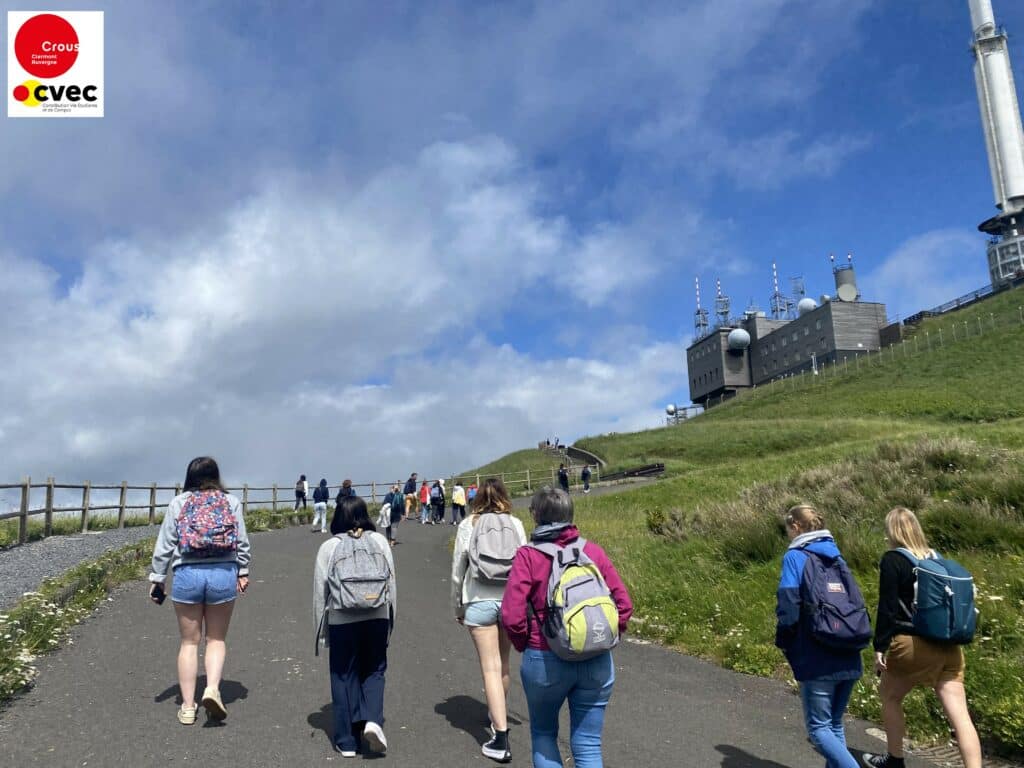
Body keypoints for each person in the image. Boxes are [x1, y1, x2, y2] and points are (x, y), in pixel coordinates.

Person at [502, 487, 633, 768]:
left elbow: (512, 616)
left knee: (544, 734)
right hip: (597, 658)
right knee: (588, 744)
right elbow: (624, 605)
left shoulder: (527, 556)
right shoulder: (592, 551)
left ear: (536, 516)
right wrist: (607, 637)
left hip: (545, 659)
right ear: (570, 515)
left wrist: (527, 643)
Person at [861, 508, 982, 768]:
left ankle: (894, 760)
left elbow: (888, 607)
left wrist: (880, 647)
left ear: (892, 531)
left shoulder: (893, 560)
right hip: (950, 647)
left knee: (890, 696)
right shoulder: (937, 559)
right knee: (961, 717)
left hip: (912, 644)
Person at [149, 456, 251, 725]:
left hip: (187, 574)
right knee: (215, 640)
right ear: (216, 476)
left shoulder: (179, 503)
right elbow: (241, 541)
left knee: (189, 643)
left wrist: (157, 578)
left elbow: (166, 543)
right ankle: (212, 689)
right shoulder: (230, 502)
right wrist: (242, 570)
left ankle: (187, 706)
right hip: (222, 574)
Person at [775, 504, 864, 768]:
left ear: (796, 527)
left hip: (816, 651)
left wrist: (785, 637)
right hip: (849, 647)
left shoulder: (795, 557)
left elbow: (789, 605)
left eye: (788, 529)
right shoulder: (837, 557)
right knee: (834, 725)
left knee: (818, 729)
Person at [313, 495, 397, 757]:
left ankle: (347, 741)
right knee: (375, 670)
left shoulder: (329, 547)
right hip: (377, 616)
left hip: (342, 618)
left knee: (343, 674)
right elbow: (391, 585)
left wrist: (321, 630)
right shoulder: (380, 542)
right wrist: (390, 620)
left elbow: (320, 592)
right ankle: (372, 719)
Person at [450, 478, 527, 762]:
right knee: (504, 664)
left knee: (489, 667)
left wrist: (458, 606)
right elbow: (525, 564)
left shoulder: (468, 525)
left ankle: (500, 736)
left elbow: (459, 569)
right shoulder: (515, 524)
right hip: (509, 601)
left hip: (478, 600)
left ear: (477, 497)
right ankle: (498, 716)